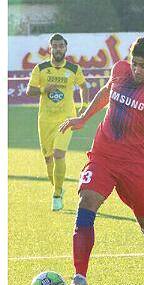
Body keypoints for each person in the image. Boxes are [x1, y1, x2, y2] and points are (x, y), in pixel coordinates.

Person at [58, 37, 144, 285]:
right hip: (103, 156)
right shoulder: (120, 70)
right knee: (86, 203)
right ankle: (80, 277)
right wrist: (84, 118)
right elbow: (107, 91)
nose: (137, 70)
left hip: (135, 166)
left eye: (143, 66)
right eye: (134, 64)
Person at [26, 33, 89, 211]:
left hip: (66, 118)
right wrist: (44, 89)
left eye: (61, 45)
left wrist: (83, 107)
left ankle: (56, 195)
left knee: (59, 154)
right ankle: (57, 188)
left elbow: (84, 86)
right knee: (48, 160)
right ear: (50, 48)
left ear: (66, 47)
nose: (58, 49)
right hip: (45, 120)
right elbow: (30, 91)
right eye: (55, 46)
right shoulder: (41, 68)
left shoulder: (74, 69)